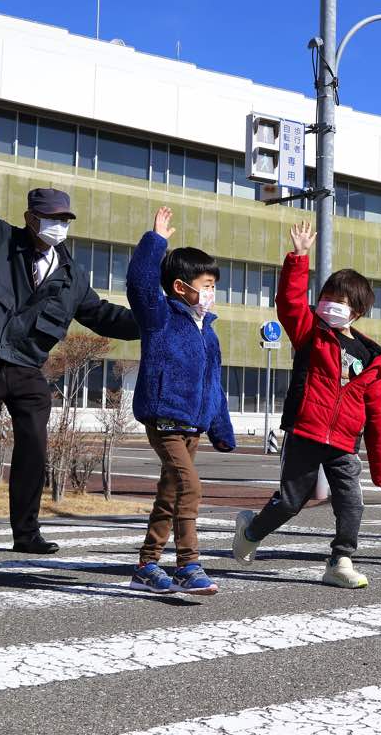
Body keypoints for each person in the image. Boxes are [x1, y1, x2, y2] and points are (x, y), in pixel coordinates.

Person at [0, 117, 137, 554]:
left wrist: (153, 321)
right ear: (30, 218)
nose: (59, 225)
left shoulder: (72, 276)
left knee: (34, 448)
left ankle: (26, 534)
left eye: (64, 218)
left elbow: (102, 315)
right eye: (51, 218)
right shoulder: (2, 241)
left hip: (27, 369)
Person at [231, 221, 381, 588]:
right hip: (305, 432)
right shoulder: (310, 332)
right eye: (329, 297)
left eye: (343, 301)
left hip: (344, 443)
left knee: (351, 502)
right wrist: (299, 257)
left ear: (358, 311)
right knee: (290, 502)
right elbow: (289, 302)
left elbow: (378, 415)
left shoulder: (371, 358)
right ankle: (252, 531)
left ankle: (340, 560)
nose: (333, 305)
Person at [126, 207, 235, 594]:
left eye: (212, 284)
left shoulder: (208, 332)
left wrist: (221, 429)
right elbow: (139, 285)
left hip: (193, 427)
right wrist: (155, 241)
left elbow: (214, 384)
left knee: (170, 493)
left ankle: (146, 564)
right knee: (190, 487)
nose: (211, 291)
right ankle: (188, 564)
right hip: (165, 420)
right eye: (206, 283)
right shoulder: (160, 317)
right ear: (179, 287)